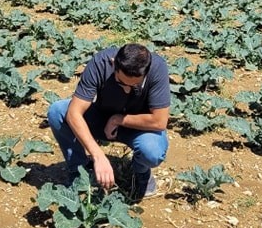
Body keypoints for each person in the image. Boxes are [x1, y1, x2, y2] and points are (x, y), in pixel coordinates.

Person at [47, 43, 170, 201]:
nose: (127, 89)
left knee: (152, 151)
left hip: (139, 126)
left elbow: (159, 121)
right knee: (58, 111)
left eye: (135, 85)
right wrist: (98, 155)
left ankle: (140, 173)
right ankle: (79, 172)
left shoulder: (157, 68)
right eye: (121, 83)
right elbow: (74, 113)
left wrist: (118, 119)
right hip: (101, 118)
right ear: (114, 64)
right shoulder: (101, 63)